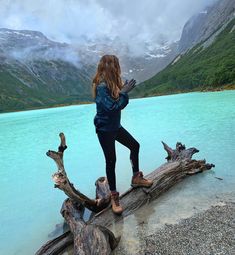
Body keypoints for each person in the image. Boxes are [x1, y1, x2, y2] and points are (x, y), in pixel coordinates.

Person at [92, 54, 153, 215]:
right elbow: (113, 108)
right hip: (104, 129)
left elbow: (117, 105)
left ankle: (136, 178)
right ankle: (114, 196)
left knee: (135, 145)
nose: (116, 68)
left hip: (115, 126)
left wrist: (122, 90)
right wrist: (124, 92)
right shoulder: (101, 86)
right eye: (114, 65)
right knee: (111, 160)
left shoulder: (112, 84)